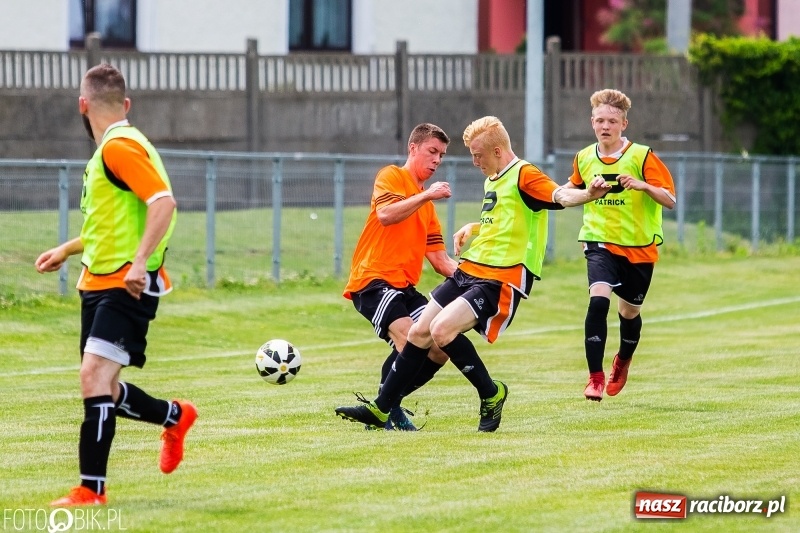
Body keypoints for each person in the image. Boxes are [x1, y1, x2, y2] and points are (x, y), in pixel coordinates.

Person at [336, 116, 610, 431]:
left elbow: (560, 196)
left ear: (496, 150)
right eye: (435, 152)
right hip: (467, 269)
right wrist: (476, 227)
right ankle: (384, 408)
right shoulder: (490, 179)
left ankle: (489, 394)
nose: (473, 161)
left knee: (440, 333)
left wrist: (588, 194)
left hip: (499, 275)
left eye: (477, 154)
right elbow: (505, 221)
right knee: (418, 333)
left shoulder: (524, 174)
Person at [35, 63, 197, 506]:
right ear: (125, 104)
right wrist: (67, 250)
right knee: (101, 385)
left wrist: (139, 263)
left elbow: (163, 204)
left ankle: (91, 490)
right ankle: (175, 416)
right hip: (99, 281)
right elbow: (112, 222)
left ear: (82, 105)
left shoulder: (119, 149)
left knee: (94, 376)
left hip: (126, 285)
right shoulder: (118, 146)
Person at [343, 123, 458, 430]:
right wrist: (426, 196)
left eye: (442, 156)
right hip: (373, 280)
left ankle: (385, 404)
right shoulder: (392, 176)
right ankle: (388, 409)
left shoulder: (427, 206)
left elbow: (440, 261)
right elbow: (386, 215)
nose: (436, 160)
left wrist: (480, 276)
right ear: (413, 148)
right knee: (409, 339)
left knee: (440, 346)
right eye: (432, 152)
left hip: (404, 287)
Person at [563, 88, 676, 401]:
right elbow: (565, 195)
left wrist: (642, 184)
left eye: (612, 121)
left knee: (629, 312)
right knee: (598, 300)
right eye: (600, 120)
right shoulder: (584, 159)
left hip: (639, 249)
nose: (605, 126)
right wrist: (585, 194)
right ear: (592, 122)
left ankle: (622, 361)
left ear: (624, 124)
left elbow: (670, 199)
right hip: (600, 242)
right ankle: (595, 377)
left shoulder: (642, 156)